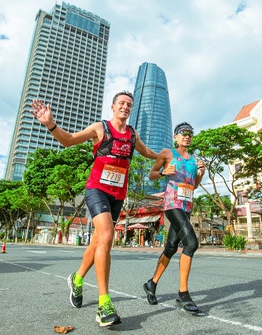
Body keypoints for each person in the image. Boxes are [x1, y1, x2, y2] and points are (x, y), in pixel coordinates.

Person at [30, 90, 158, 327]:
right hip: (97, 190)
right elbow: (68, 140)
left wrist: (166, 157)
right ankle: (104, 304)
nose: (125, 107)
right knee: (107, 237)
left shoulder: (132, 135)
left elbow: (147, 152)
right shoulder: (100, 128)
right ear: (113, 106)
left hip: (118, 196)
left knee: (98, 242)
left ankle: (77, 280)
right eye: (121, 103)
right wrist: (50, 124)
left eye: (129, 104)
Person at [143, 122, 207, 316]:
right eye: (183, 133)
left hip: (186, 206)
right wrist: (163, 172)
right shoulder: (167, 153)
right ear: (176, 137)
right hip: (172, 204)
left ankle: (151, 283)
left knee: (171, 248)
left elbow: (193, 185)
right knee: (191, 243)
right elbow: (151, 175)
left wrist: (201, 174)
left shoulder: (194, 160)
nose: (187, 136)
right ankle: (183, 292)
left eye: (190, 134)